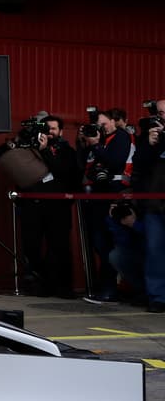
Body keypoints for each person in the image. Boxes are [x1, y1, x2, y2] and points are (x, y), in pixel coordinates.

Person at [6, 113, 82, 297]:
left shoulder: (67, 151)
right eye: (45, 129)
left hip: (58, 207)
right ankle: (40, 285)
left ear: (61, 131)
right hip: (33, 206)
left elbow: (63, 171)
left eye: (53, 129)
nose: (49, 133)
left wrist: (46, 150)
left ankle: (63, 287)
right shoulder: (29, 150)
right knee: (32, 246)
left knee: (59, 247)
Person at [77, 108, 132, 297]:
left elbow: (115, 162)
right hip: (94, 197)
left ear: (113, 121)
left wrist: (97, 145)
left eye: (104, 124)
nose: (101, 128)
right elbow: (82, 165)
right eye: (97, 126)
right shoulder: (94, 142)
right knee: (99, 244)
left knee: (112, 244)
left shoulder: (121, 137)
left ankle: (112, 288)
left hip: (113, 196)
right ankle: (105, 287)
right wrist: (84, 143)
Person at [130, 99, 165, 312]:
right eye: (159, 112)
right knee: (155, 251)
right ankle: (158, 297)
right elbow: (139, 164)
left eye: (164, 112)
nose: (161, 116)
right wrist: (151, 144)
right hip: (154, 204)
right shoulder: (152, 135)